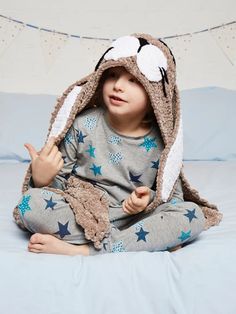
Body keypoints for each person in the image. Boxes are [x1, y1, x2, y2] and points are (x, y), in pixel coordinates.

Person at [13, 33, 222, 256]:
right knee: (30, 204)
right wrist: (43, 178)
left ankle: (88, 249)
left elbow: (171, 197)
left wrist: (147, 201)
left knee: (192, 216)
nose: (118, 86)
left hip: (135, 217)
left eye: (133, 80)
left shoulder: (162, 142)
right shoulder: (83, 124)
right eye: (112, 75)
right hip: (84, 211)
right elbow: (59, 186)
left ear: (155, 98)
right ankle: (140, 241)